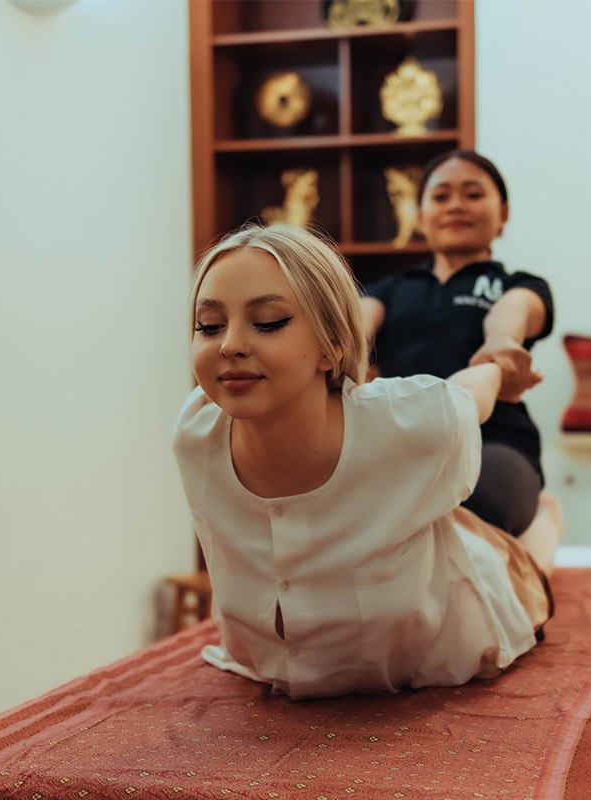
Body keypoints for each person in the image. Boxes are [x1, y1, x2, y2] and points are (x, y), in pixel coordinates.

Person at [172, 223, 558, 700]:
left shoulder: (407, 422)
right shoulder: (195, 436)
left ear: (333, 345)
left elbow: (467, 396)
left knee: (524, 569)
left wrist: (499, 367)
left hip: (439, 642)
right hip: (284, 659)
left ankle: (546, 522)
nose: (228, 343)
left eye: (268, 321)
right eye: (208, 326)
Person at [361, 150, 554, 537]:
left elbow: (513, 313)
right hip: (403, 442)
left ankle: (545, 521)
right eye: (441, 196)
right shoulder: (390, 291)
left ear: (503, 214)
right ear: (420, 217)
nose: (456, 206)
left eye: (473, 194)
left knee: (474, 507)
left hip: (496, 441)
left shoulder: (517, 285)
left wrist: (501, 342)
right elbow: (352, 325)